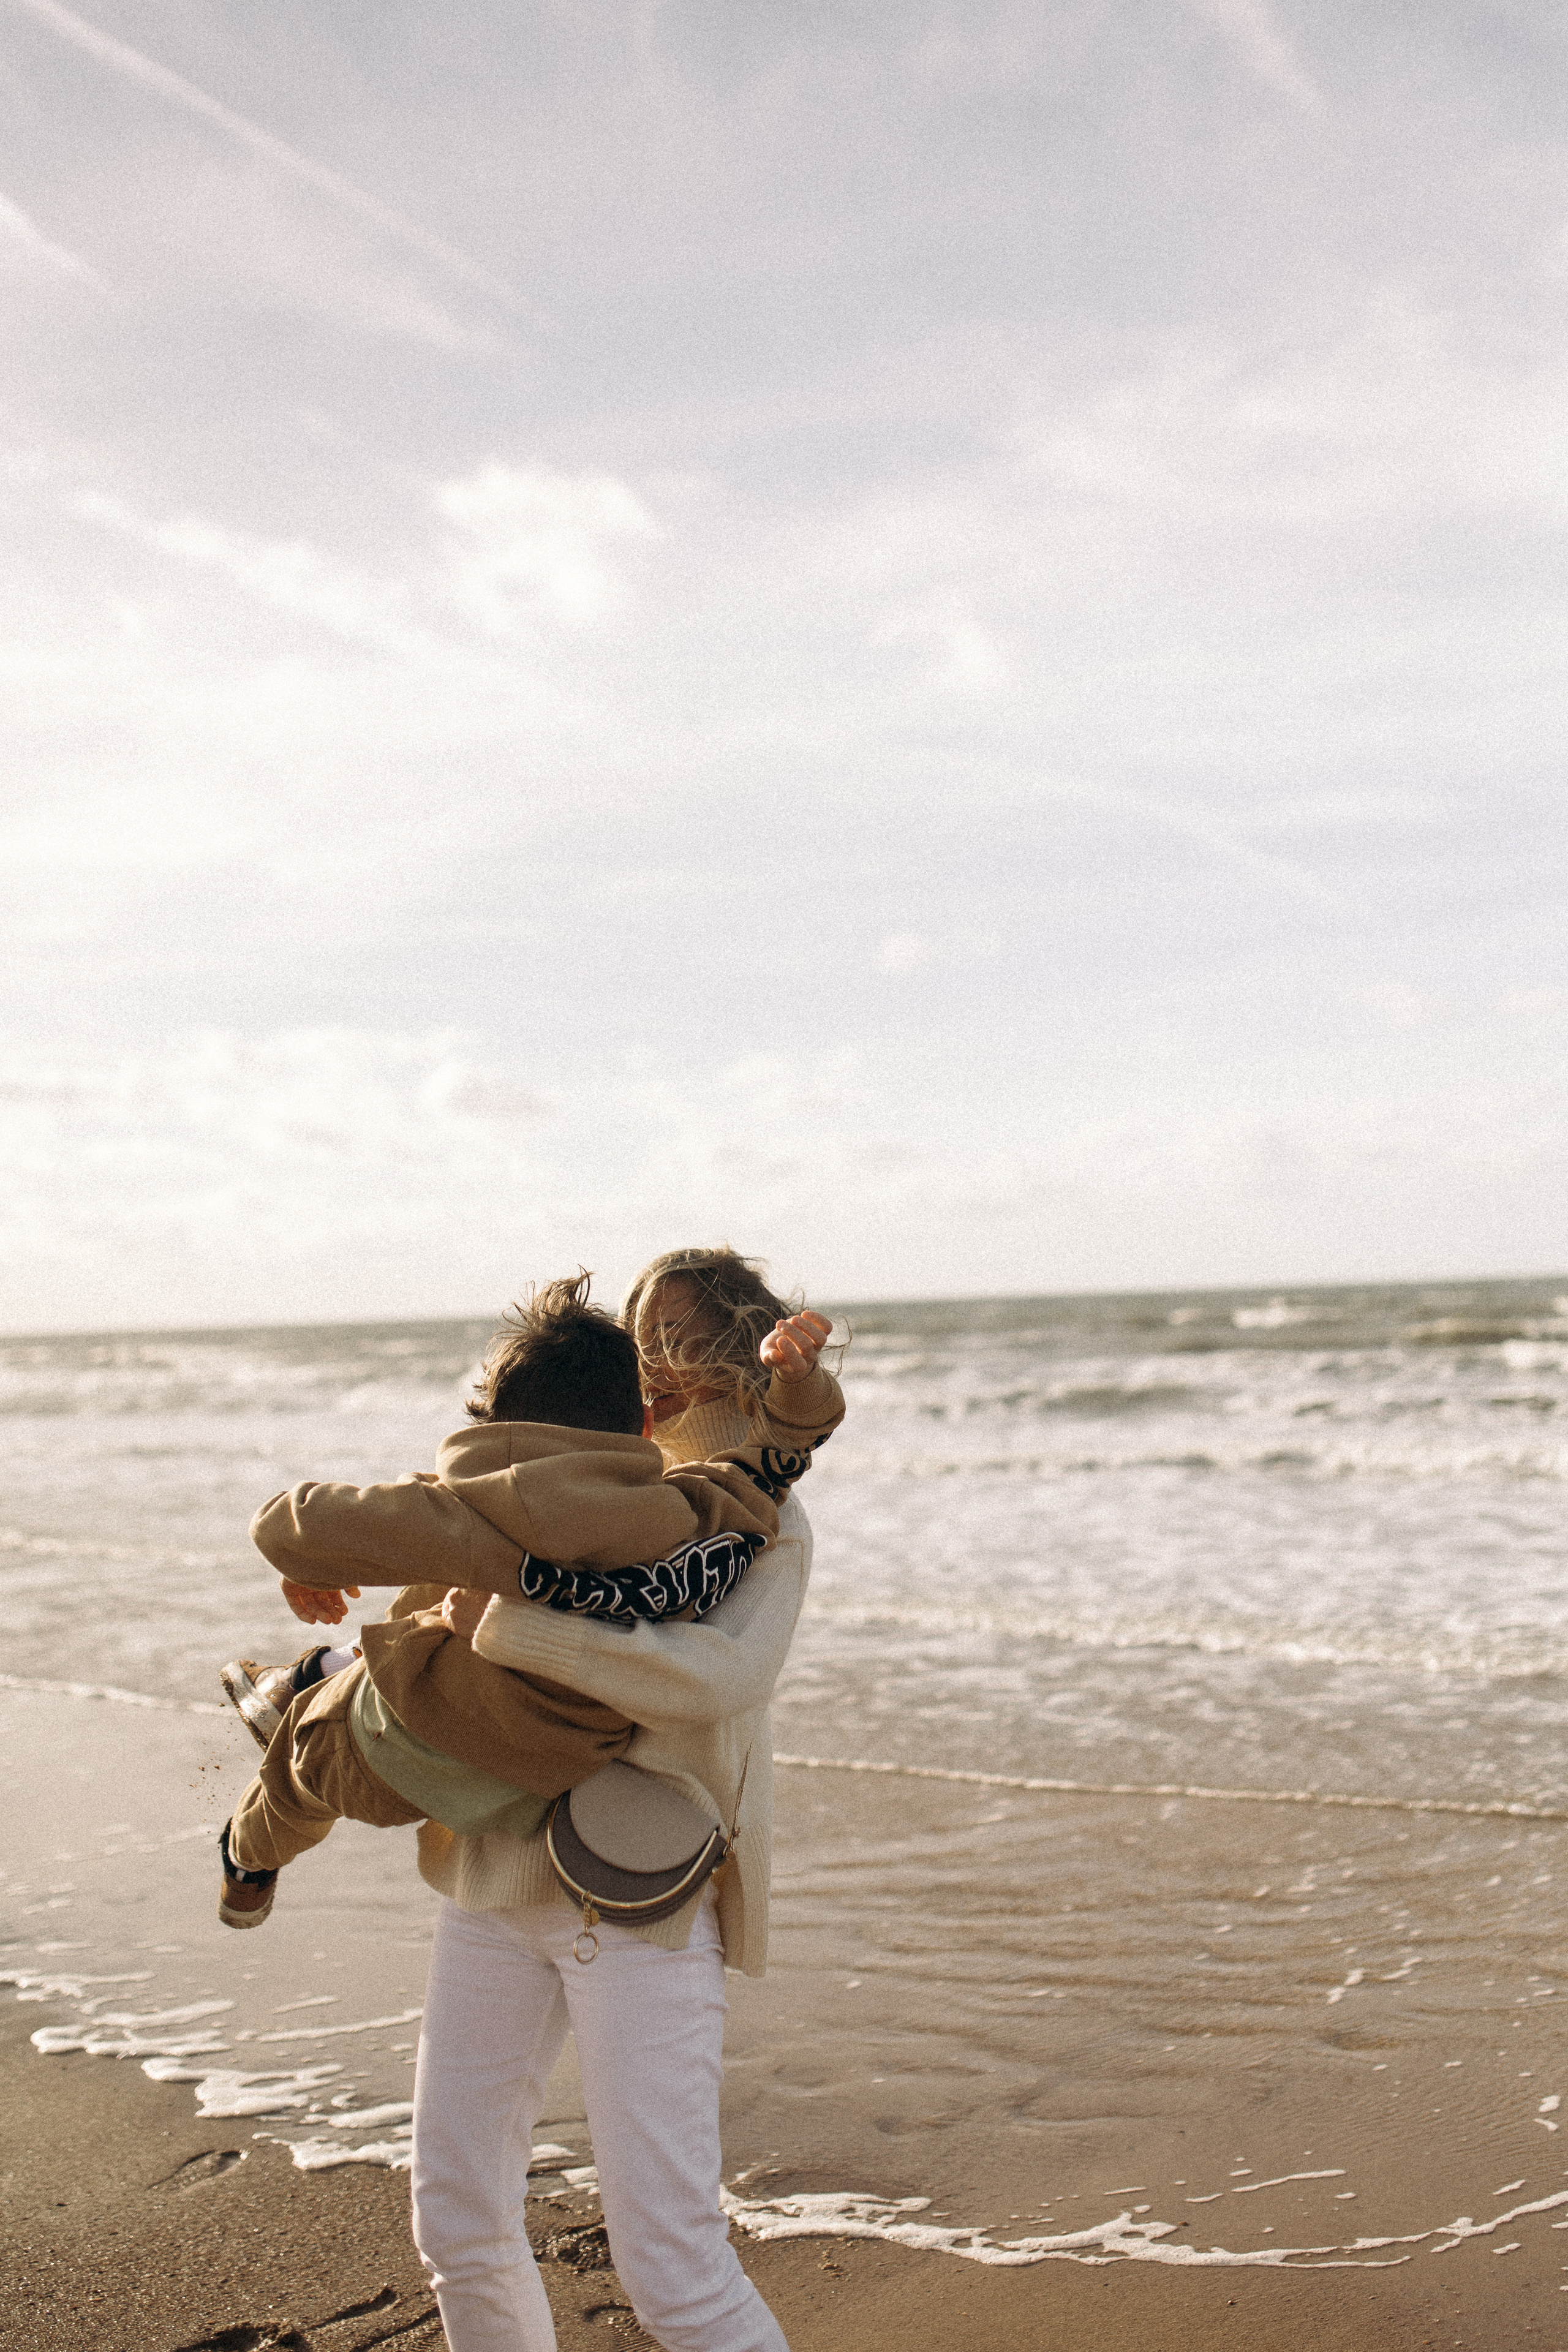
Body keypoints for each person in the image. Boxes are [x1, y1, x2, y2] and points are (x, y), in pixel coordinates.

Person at [412, 1246, 832, 2352]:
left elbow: (720, 1679)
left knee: (674, 2270)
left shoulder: (757, 1517)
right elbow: (438, 1561)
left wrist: (516, 1628)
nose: (651, 1370)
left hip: (638, 1896)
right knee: (456, 2214)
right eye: (642, 1341)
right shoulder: (567, 1486)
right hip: (495, 1869)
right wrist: (332, 1577)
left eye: (679, 1344)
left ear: (741, 1355)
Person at [217, 1272, 840, 1932]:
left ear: (494, 1417)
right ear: (645, 1423)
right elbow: (772, 1460)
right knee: (455, 1615)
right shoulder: (679, 1517)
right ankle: (312, 1680)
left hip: (395, 1751)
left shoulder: (458, 1508)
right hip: (541, 1778)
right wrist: (798, 1384)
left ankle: (247, 1864)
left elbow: (287, 1524)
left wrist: (313, 1562)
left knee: (298, 1769)